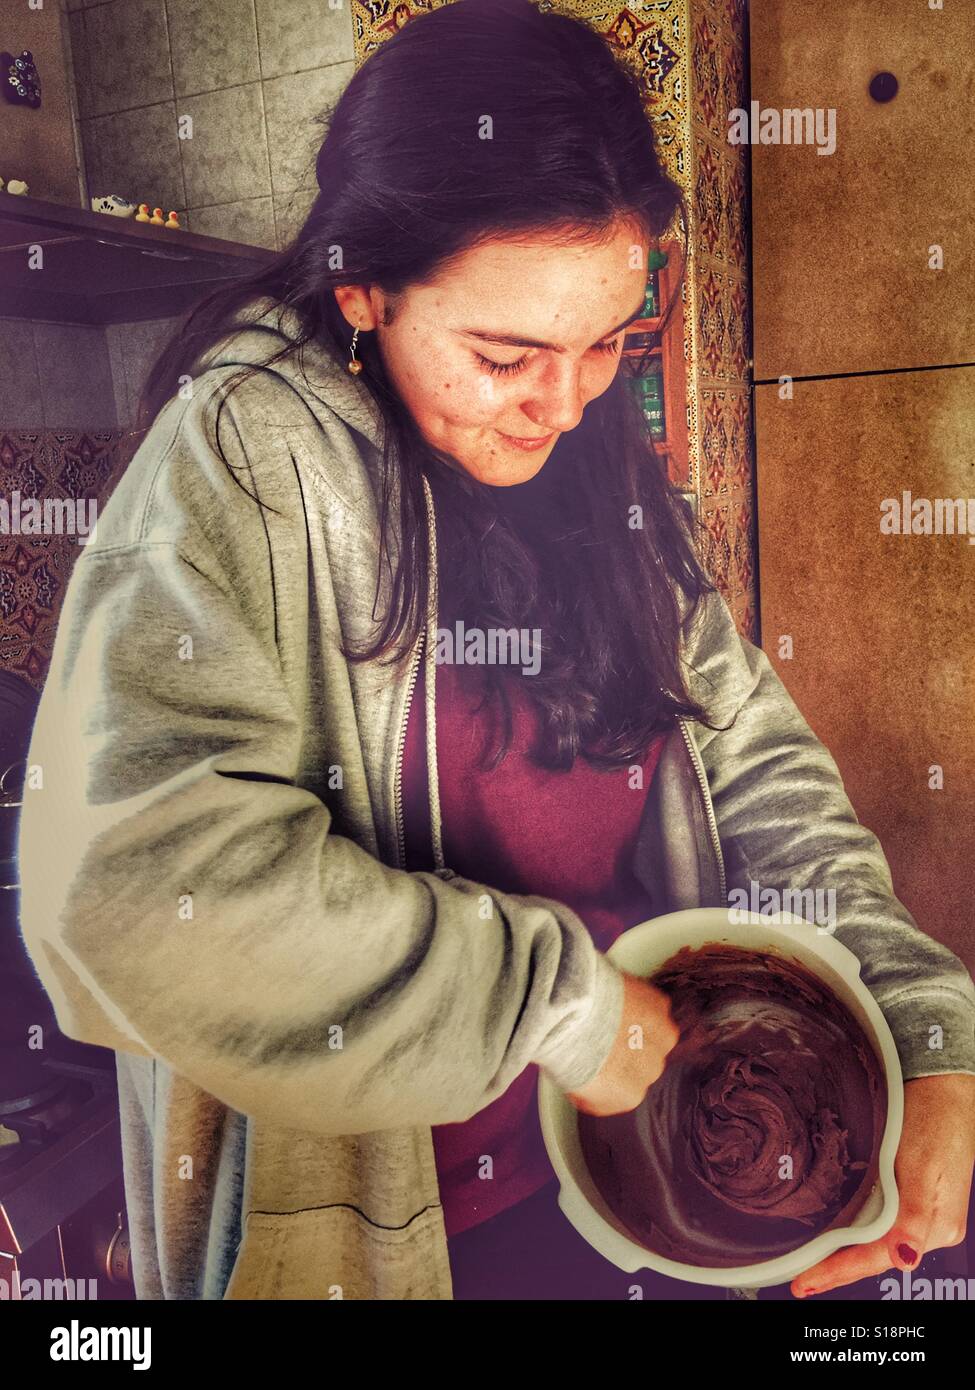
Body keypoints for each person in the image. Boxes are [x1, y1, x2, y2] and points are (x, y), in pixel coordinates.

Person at [16, 0, 975, 1301]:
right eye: (507, 353)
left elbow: (760, 772)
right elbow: (125, 896)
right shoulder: (249, 459)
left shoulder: (596, 469)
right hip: (400, 1235)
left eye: (608, 345)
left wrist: (926, 1026)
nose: (567, 403)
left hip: (641, 1171)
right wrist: (569, 1010)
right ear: (363, 287)